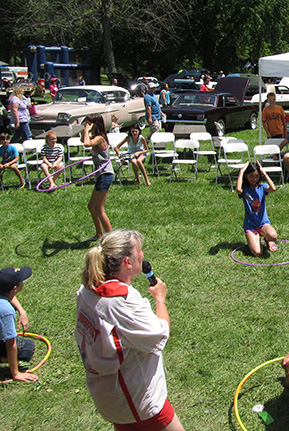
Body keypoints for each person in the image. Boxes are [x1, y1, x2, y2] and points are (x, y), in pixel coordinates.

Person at [75, 230, 184, 430]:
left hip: (108, 393)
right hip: (135, 397)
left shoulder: (88, 288)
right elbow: (160, 333)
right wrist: (160, 299)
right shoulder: (120, 302)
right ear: (127, 262)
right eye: (139, 251)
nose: (142, 255)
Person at [0, 266, 37, 383]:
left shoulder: (4, 291)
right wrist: (16, 373)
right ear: (15, 288)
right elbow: (11, 344)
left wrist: (22, 311)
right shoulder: (6, 311)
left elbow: (9, 294)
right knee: (27, 349)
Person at [235, 162, 278, 256]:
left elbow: (273, 188)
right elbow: (238, 190)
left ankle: (267, 240)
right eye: (251, 176)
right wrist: (241, 171)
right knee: (257, 253)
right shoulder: (244, 189)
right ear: (246, 176)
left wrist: (263, 172)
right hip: (250, 225)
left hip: (263, 223)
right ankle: (255, 240)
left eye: (257, 176)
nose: (254, 179)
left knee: (273, 236)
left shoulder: (262, 187)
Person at [83, 114, 114, 241]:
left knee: (99, 210)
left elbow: (86, 144)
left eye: (88, 123)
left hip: (105, 175)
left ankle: (112, 239)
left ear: (94, 124)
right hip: (101, 175)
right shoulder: (95, 136)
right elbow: (83, 140)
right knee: (91, 206)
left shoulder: (100, 138)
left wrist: (86, 130)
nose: (86, 125)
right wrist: (85, 131)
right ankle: (99, 234)